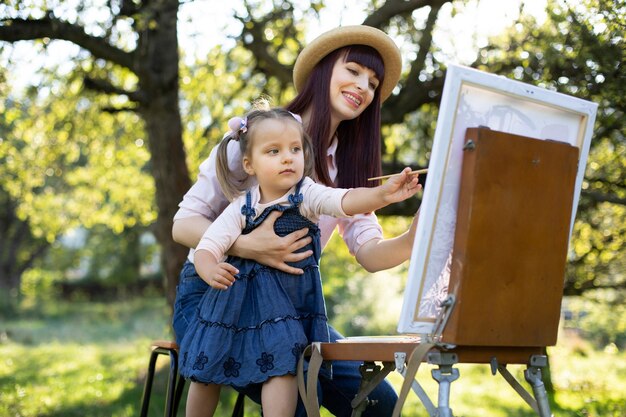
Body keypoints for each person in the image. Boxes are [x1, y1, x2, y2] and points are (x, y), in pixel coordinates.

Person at [172, 25, 419, 417]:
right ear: (323, 70)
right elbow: (183, 224)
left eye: (373, 83)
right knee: (301, 402)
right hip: (214, 296)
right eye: (353, 70)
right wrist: (248, 245)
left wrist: (416, 233)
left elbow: (371, 254)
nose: (363, 86)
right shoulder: (259, 137)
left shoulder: (347, 169)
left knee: (379, 404)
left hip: (289, 307)